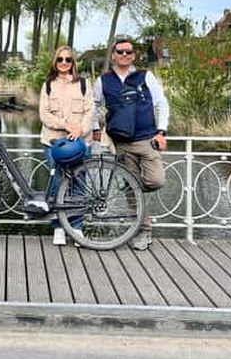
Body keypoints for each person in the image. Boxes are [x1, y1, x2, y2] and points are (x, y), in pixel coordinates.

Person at [92, 36, 169, 251]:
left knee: (156, 180)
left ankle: (131, 190)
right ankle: (143, 231)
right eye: (120, 52)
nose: (124, 55)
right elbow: (94, 105)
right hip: (121, 144)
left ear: (133, 55)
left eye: (128, 52)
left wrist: (161, 132)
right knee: (131, 187)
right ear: (114, 55)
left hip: (147, 140)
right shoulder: (104, 80)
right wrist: (95, 129)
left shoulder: (145, 77)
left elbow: (162, 102)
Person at [39, 46, 94, 246]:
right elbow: (44, 114)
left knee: (79, 183)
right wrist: (65, 124)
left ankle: (77, 227)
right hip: (53, 141)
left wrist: (80, 129)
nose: (64, 63)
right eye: (60, 59)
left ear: (73, 62)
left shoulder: (84, 84)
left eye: (68, 60)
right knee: (57, 184)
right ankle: (59, 227)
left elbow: (90, 111)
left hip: (80, 142)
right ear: (55, 62)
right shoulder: (47, 85)